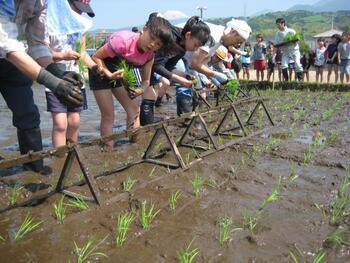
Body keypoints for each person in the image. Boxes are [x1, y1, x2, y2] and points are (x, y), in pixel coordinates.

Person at [0, 0, 83, 173]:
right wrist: (52, 82)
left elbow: (37, 43)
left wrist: (58, 73)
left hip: (14, 62)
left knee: (28, 114)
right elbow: (4, 41)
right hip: (9, 50)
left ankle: (33, 170)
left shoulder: (41, 3)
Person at [89, 14, 175, 149]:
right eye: (151, 38)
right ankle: (108, 150)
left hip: (120, 71)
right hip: (100, 70)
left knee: (134, 109)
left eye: (158, 44)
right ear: (144, 29)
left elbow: (146, 81)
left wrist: (140, 90)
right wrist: (109, 75)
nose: (152, 44)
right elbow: (96, 57)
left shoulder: (149, 55)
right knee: (109, 114)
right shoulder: (123, 41)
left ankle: (134, 145)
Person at [46, 0, 96, 147]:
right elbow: (41, 51)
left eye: (83, 10)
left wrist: (94, 67)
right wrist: (62, 56)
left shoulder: (81, 27)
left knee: (74, 122)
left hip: (76, 79)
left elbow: (83, 53)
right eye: (77, 9)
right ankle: (60, 159)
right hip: (54, 79)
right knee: (60, 124)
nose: (80, 13)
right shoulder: (51, 23)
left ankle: (71, 155)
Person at [144, 15, 210, 124]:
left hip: (149, 68)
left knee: (148, 99)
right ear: (188, 35)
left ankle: (144, 133)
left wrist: (184, 75)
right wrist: (179, 80)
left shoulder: (182, 49)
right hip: (140, 64)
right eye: (196, 45)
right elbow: (156, 64)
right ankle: (140, 134)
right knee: (144, 102)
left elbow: (168, 67)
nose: (196, 49)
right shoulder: (171, 38)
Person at [189, 18, 252, 86]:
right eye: (237, 41)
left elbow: (202, 64)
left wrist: (217, 82)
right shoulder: (215, 36)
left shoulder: (219, 41)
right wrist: (216, 75)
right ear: (233, 32)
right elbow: (195, 64)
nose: (236, 45)